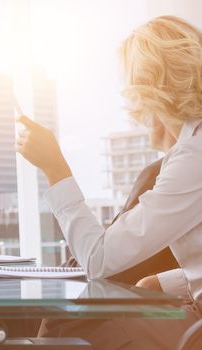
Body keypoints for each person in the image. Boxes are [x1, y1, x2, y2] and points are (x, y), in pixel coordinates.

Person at [17, 15, 202, 349]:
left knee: (74, 326)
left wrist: (55, 168)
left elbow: (97, 261)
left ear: (149, 89)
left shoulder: (192, 158)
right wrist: (167, 282)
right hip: (191, 308)